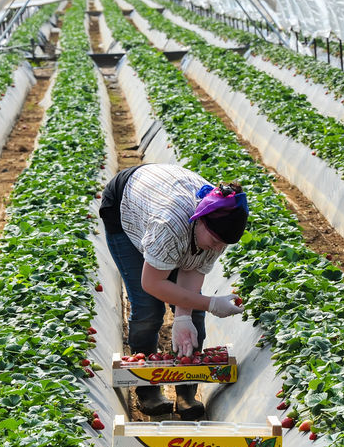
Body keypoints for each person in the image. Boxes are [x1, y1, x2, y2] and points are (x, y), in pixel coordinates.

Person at [99, 163, 247, 419]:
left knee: (193, 312)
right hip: (125, 208)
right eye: (214, 241)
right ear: (199, 220)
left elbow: (193, 269)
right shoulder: (169, 225)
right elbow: (152, 283)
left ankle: (186, 388)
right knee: (148, 308)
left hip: (160, 200)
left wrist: (183, 317)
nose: (217, 248)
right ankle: (146, 386)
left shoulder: (219, 228)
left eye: (222, 244)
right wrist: (211, 303)